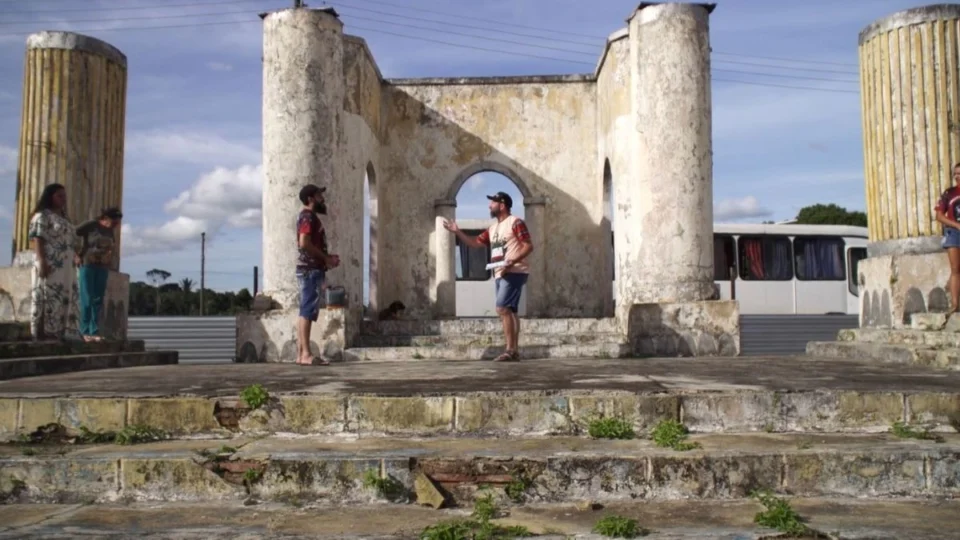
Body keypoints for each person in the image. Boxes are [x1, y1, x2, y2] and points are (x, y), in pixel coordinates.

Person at [443, 191, 533, 362]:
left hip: (514, 271)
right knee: (511, 311)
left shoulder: (516, 223)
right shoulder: (493, 229)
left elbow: (528, 246)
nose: (489, 206)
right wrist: (457, 231)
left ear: (502, 204)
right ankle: (514, 351)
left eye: (492, 202)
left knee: (502, 308)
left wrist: (512, 262)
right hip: (500, 273)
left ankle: (510, 350)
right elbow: (475, 243)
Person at [27, 183, 81, 341]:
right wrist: (42, 260)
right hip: (50, 262)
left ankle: (63, 331)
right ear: (50, 197)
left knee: (66, 296)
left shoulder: (66, 219)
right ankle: (44, 332)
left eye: (65, 196)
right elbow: (38, 238)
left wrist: (76, 255)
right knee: (48, 295)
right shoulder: (42, 216)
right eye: (60, 196)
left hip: (67, 267)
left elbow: (71, 241)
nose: (63, 199)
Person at [295, 184, 340, 365]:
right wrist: (325, 258)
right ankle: (306, 354)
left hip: (309, 268)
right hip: (310, 269)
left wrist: (327, 258)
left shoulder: (309, 217)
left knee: (304, 310)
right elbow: (304, 242)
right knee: (308, 310)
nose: (322, 198)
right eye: (319, 194)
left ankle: (301, 354)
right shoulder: (308, 217)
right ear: (311, 198)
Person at [75, 207, 123, 342]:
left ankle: (94, 330)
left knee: (98, 299)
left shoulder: (110, 231)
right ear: (106, 218)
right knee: (87, 298)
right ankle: (84, 330)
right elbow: (72, 235)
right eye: (114, 222)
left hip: (102, 266)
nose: (115, 226)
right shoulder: (91, 225)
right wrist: (76, 254)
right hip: (87, 263)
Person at [936, 162, 960, 314]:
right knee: (955, 269)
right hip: (954, 232)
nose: (958, 176)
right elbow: (939, 215)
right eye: (956, 173)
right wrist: (956, 225)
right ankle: (955, 304)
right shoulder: (949, 193)